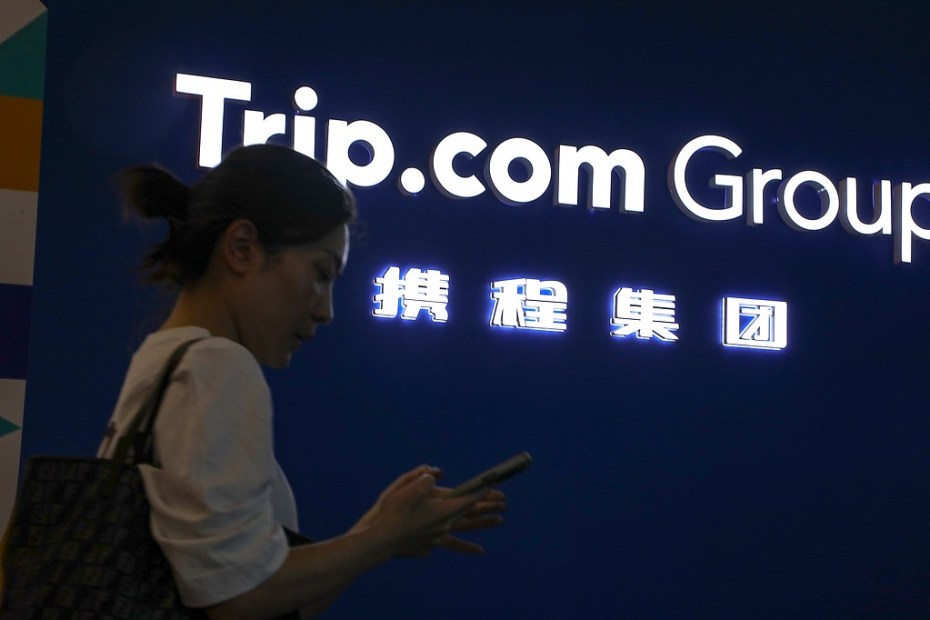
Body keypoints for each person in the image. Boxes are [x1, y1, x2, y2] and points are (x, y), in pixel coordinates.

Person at [98, 144, 506, 619]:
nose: (325, 310)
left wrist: (376, 532)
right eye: (320, 273)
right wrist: (383, 537)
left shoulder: (162, 356)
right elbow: (237, 599)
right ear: (242, 248)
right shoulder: (218, 365)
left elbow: (250, 595)